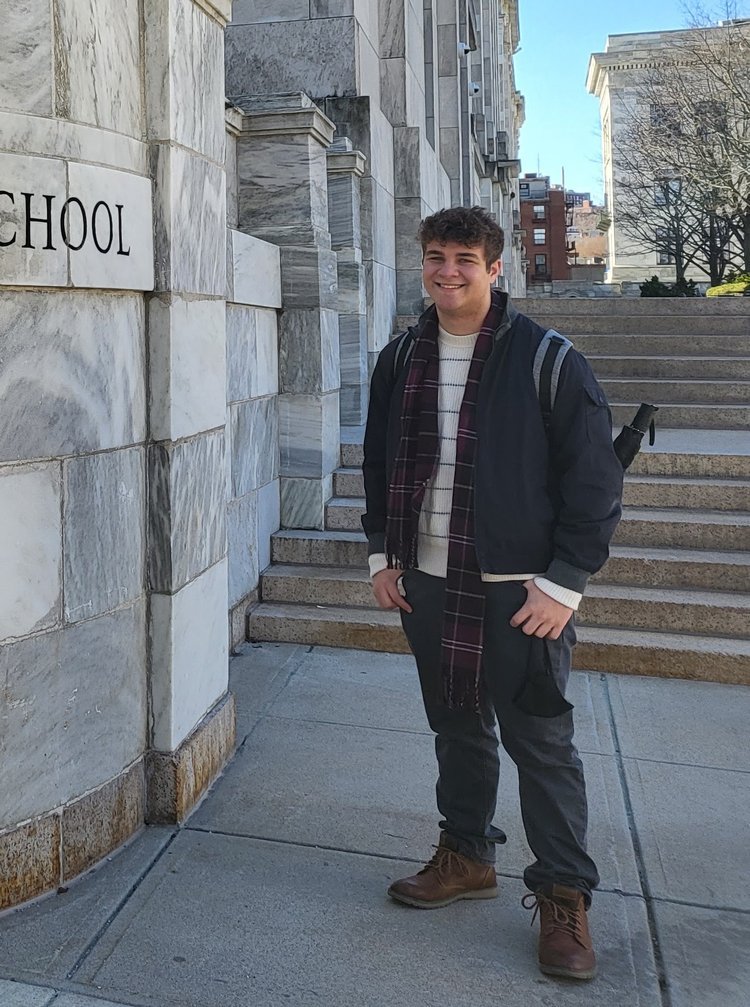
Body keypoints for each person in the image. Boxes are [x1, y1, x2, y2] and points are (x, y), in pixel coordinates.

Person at [361, 206, 623, 981]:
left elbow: (595, 480)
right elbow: (379, 461)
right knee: (457, 725)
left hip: (522, 590)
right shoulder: (400, 357)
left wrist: (566, 583)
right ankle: (467, 853)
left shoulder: (547, 358)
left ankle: (564, 896)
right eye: (436, 256)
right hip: (430, 577)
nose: (448, 271)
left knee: (541, 741)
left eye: (465, 259)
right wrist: (382, 555)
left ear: (495, 267)